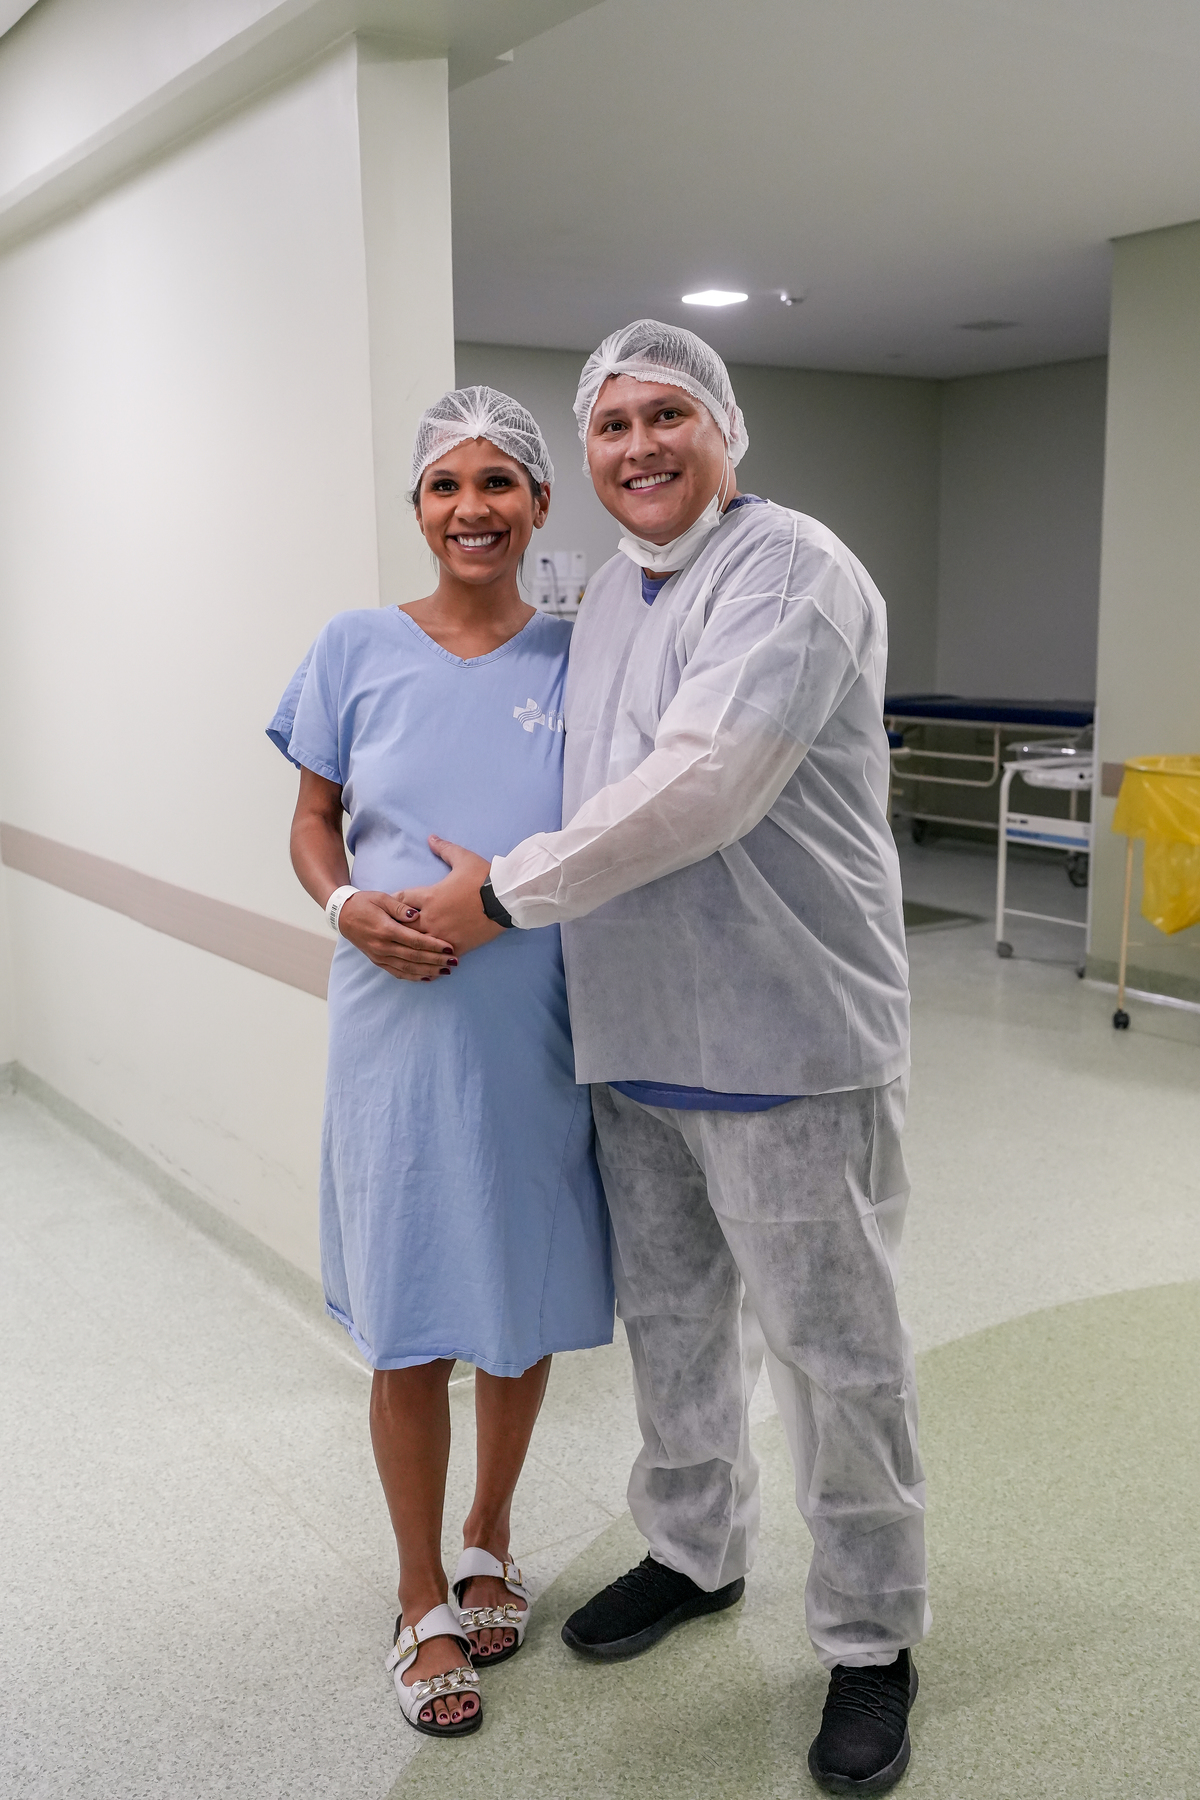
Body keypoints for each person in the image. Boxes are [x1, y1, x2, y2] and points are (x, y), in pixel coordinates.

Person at [398, 324, 928, 1793]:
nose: (638, 444)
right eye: (612, 423)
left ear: (725, 428)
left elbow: (705, 782)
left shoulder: (791, 571)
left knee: (837, 1359)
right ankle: (694, 1552)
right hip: (635, 1038)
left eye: (666, 414)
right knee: (676, 1327)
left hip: (789, 1033)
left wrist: (502, 894)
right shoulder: (616, 600)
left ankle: (871, 1636)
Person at [265, 387, 613, 1740]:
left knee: (515, 1298)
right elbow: (313, 819)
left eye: (498, 483)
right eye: (444, 486)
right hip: (396, 1020)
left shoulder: (583, 657)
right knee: (412, 1313)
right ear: (418, 509)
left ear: (540, 504)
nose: (472, 509)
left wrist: (506, 896)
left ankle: (489, 1536)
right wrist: (347, 904)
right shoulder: (353, 646)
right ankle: (419, 1594)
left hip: (537, 1024)